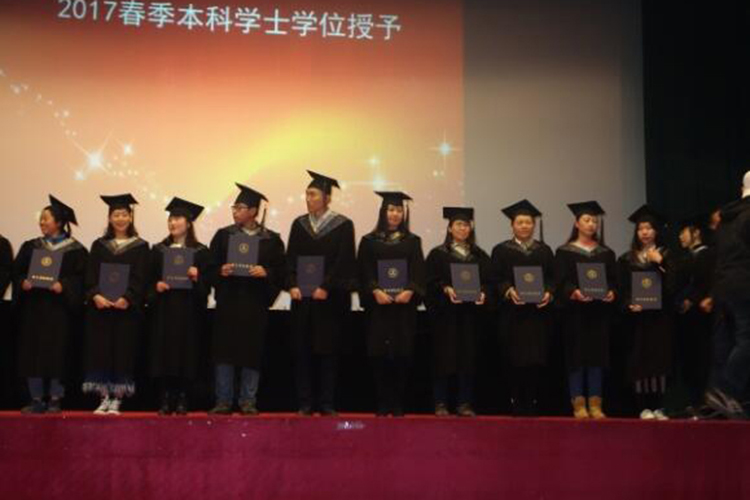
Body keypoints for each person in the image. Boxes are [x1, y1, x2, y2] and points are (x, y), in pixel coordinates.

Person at [208, 184, 286, 415]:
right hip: (229, 302)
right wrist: (220, 271)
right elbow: (209, 268)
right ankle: (223, 400)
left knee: (252, 353)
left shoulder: (271, 240)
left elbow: (282, 272)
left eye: (240, 207)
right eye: (234, 207)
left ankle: (247, 400)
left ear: (253, 211)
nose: (235, 211)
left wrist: (267, 272)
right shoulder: (223, 236)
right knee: (224, 353)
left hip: (255, 304)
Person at [286, 171, 356, 416]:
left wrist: (326, 286)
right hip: (303, 300)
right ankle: (305, 402)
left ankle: (326, 402)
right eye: (307, 194)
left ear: (327, 198)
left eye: (313, 194)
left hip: (330, 301)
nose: (308, 198)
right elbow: (290, 258)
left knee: (328, 353)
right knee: (302, 351)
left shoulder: (343, 225)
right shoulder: (299, 224)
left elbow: (344, 261)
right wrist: (292, 284)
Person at [12, 195, 87, 413]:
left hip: (59, 311)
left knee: (57, 353)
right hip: (34, 308)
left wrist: (65, 285)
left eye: (46, 218)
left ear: (59, 222)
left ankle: (55, 398)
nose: (42, 222)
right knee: (32, 352)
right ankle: (36, 399)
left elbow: (82, 279)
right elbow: (16, 273)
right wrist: (22, 282)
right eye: (41, 219)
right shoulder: (30, 246)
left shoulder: (76, 250)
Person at [357, 191, 425, 416]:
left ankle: (398, 403)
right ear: (383, 212)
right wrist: (375, 290)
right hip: (378, 308)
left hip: (403, 309)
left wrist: (410, 290)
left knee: (402, 354)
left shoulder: (412, 241)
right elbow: (363, 270)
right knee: (378, 354)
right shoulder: (369, 241)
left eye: (398, 210)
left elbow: (418, 270)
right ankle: (382, 402)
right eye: (391, 210)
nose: (395, 214)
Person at [82, 194, 149, 415]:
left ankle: (117, 399)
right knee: (100, 353)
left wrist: (128, 297)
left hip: (125, 311)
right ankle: (103, 398)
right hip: (101, 310)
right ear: (110, 218)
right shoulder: (99, 245)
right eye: (116, 215)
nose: (120, 218)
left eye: (124, 214)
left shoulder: (141, 247)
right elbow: (90, 275)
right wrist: (95, 295)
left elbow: (141, 277)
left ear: (130, 217)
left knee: (123, 353)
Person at [425, 207, 491, 417]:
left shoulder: (480, 255)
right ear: (450, 228)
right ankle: (440, 402)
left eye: (466, 225)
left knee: (468, 359)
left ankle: (464, 403)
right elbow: (429, 282)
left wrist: (484, 293)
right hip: (445, 317)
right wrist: (445, 289)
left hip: (470, 316)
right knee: (442, 358)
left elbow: (489, 282)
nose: (463, 228)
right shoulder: (437, 254)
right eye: (459, 224)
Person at [148, 198, 211, 415]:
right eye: (170, 219)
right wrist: (156, 286)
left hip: (189, 311)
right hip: (164, 311)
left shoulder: (201, 252)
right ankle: (165, 397)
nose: (172, 223)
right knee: (164, 353)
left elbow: (206, 288)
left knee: (187, 353)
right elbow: (149, 281)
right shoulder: (158, 250)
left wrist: (197, 277)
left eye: (177, 219)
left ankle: (183, 397)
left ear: (189, 223)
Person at [554, 201, 617, 419]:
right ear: (577, 223)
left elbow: (613, 281)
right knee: (576, 358)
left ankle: (596, 404)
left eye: (594, 221)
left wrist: (612, 292)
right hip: (575, 313)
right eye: (587, 220)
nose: (591, 224)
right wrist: (573, 292)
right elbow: (560, 282)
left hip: (599, 313)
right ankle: (578, 403)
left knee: (597, 358)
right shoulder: (564, 252)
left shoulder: (606, 253)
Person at [491, 199, 554, 416]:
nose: (525, 226)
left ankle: (532, 400)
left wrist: (549, 292)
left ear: (533, 225)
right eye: (520, 222)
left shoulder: (544, 250)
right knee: (514, 359)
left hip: (537, 315)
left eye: (528, 222)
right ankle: (516, 400)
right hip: (513, 315)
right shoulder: (501, 250)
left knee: (535, 359)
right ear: (512, 225)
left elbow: (552, 278)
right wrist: (509, 290)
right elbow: (495, 278)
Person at [617, 205, 676, 420]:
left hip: (660, 317)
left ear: (656, 231)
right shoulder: (627, 259)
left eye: (649, 228)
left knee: (659, 360)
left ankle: (658, 406)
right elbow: (622, 289)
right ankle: (643, 407)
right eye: (641, 228)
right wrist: (629, 304)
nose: (645, 232)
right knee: (640, 361)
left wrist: (660, 262)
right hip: (638, 318)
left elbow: (674, 283)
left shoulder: (667, 255)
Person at [705, 171, 750, 419]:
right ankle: (724, 390)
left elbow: (720, 256)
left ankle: (719, 397)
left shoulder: (726, 218)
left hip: (724, 286)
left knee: (726, 341)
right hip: (745, 285)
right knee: (747, 339)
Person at [674, 213, 716, 417]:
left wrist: (693, 298)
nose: (680, 237)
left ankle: (706, 403)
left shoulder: (709, 255)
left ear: (696, 232)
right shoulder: (684, 258)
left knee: (703, 359)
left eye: (683, 232)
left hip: (703, 317)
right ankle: (693, 401)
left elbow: (706, 281)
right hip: (685, 318)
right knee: (688, 361)